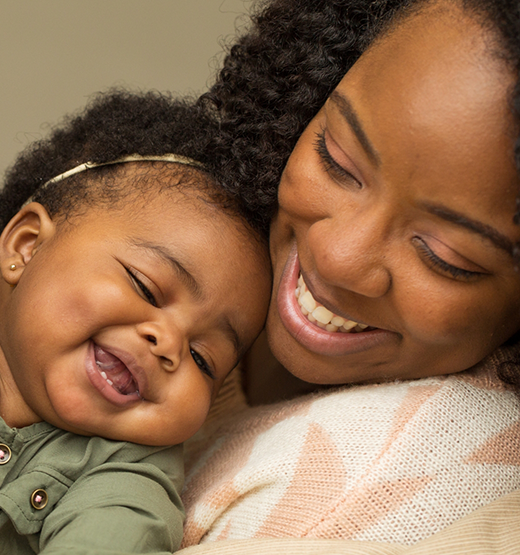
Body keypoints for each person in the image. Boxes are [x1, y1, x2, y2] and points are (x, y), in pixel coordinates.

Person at [179, 0, 520, 551]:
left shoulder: (363, 494)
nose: (339, 256)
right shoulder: (162, 226)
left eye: (444, 255)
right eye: (336, 160)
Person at [0, 90, 272, 554]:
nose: (168, 343)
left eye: (202, 358)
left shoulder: (132, 472)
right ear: (27, 246)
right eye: (146, 288)